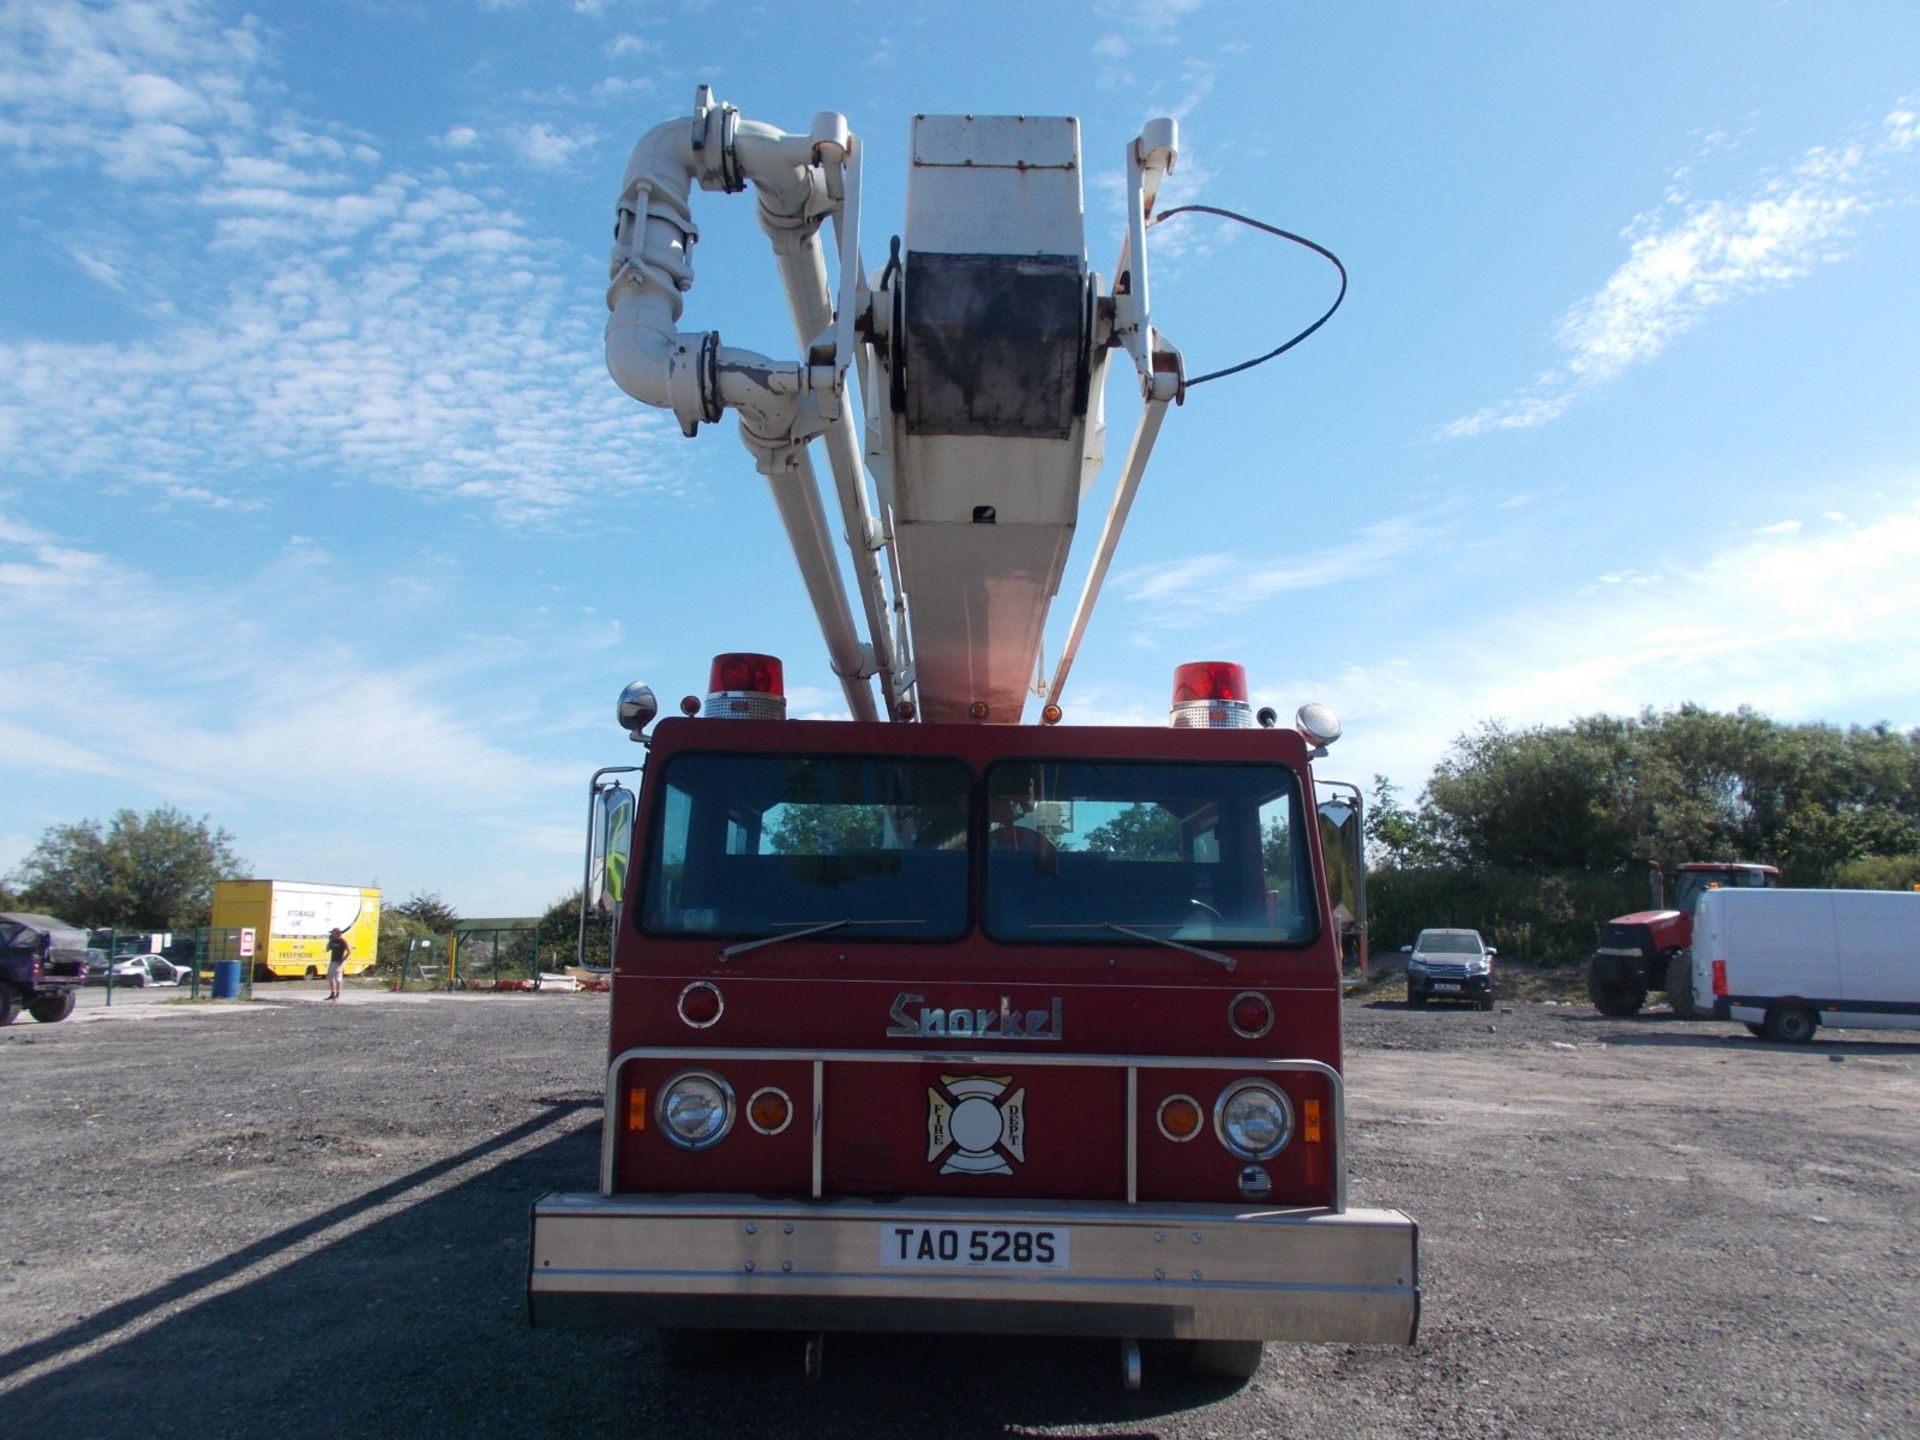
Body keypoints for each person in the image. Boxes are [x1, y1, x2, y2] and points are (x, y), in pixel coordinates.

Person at [324, 927, 350, 1000]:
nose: (332, 934)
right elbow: (327, 949)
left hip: (339, 962)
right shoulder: (333, 941)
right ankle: (332, 993)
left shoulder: (343, 941)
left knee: (338, 979)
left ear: (338, 933)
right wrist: (330, 941)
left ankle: (337, 994)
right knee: (331, 978)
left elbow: (349, 951)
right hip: (333, 961)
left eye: (333, 933)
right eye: (332, 933)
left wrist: (343, 959)